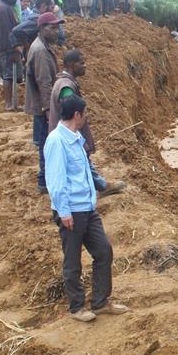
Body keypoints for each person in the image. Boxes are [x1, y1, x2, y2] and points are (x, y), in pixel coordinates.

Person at [44, 94, 128, 322]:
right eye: (84, 115)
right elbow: (56, 180)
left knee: (103, 251)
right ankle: (77, 307)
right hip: (71, 211)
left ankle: (100, 302)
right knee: (73, 260)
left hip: (88, 207)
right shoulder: (56, 141)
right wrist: (64, 211)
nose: (85, 119)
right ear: (77, 115)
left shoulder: (75, 137)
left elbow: (85, 171)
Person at [49, 49, 126, 196]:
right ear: (71, 64)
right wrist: (79, 137)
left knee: (83, 161)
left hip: (67, 133)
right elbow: (71, 115)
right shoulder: (66, 88)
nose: (85, 66)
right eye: (82, 63)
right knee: (79, 161)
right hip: (68, 135)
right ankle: (97, 188)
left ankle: (100, 185)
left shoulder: (66, 83)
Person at [25, 12, 63, 193]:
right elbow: (44, 83)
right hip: (44, 108)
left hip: (42, 106)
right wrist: (50, 111)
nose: (56, 31)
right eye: (52, 28)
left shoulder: (43, 46)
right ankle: (44, 181)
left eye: (57, 28)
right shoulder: (40, 51)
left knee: (45, 142)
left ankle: (45, 179)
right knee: (46, 144)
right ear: (41, 29)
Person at [0, 0, 22, 109]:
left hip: (8, 46)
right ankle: (8, 103)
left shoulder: (5, 7)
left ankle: (12, 103)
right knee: (8, 75)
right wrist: (15, 46)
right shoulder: (3, 9)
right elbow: (7, 31)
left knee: (11, 75)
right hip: (7, 48)